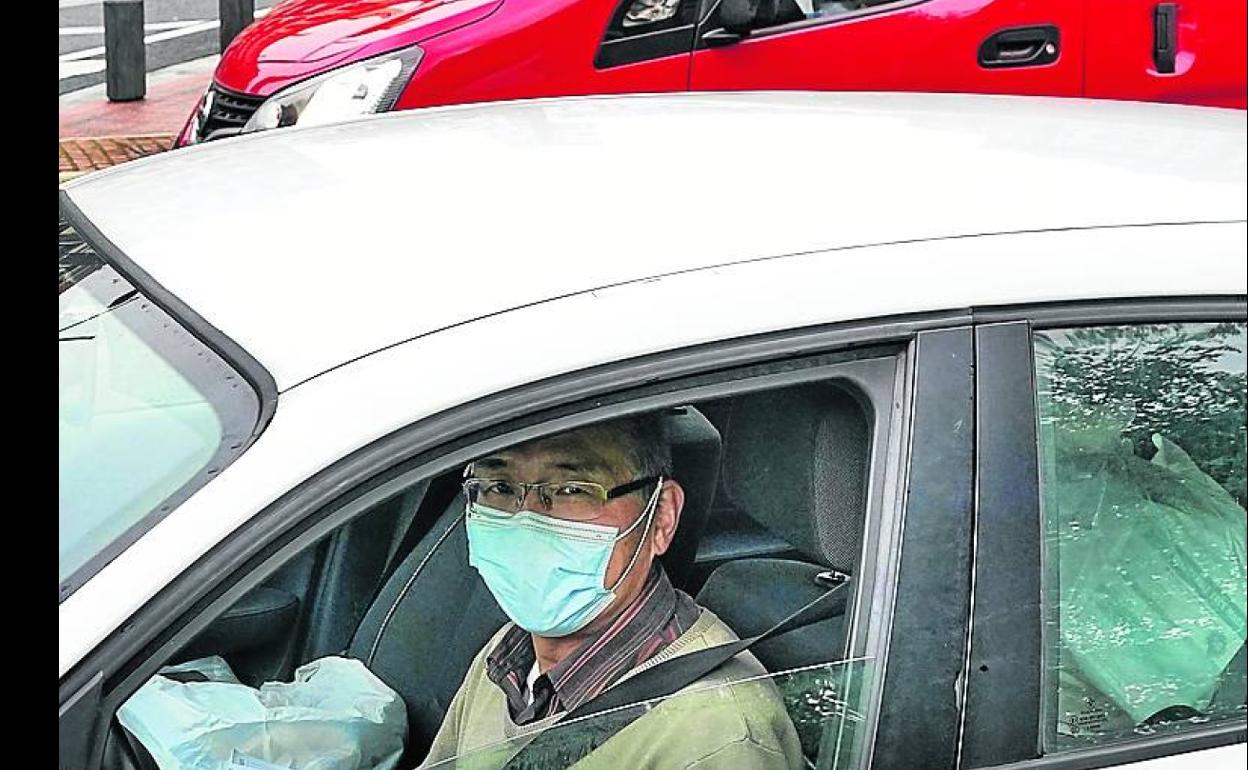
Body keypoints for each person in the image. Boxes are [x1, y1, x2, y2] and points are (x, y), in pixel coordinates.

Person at [418, 414, 803, 769]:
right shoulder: (509, 654)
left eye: (571, 489)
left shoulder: (714, 737)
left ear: (661, 517)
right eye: (500, 487)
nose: (525, 518)